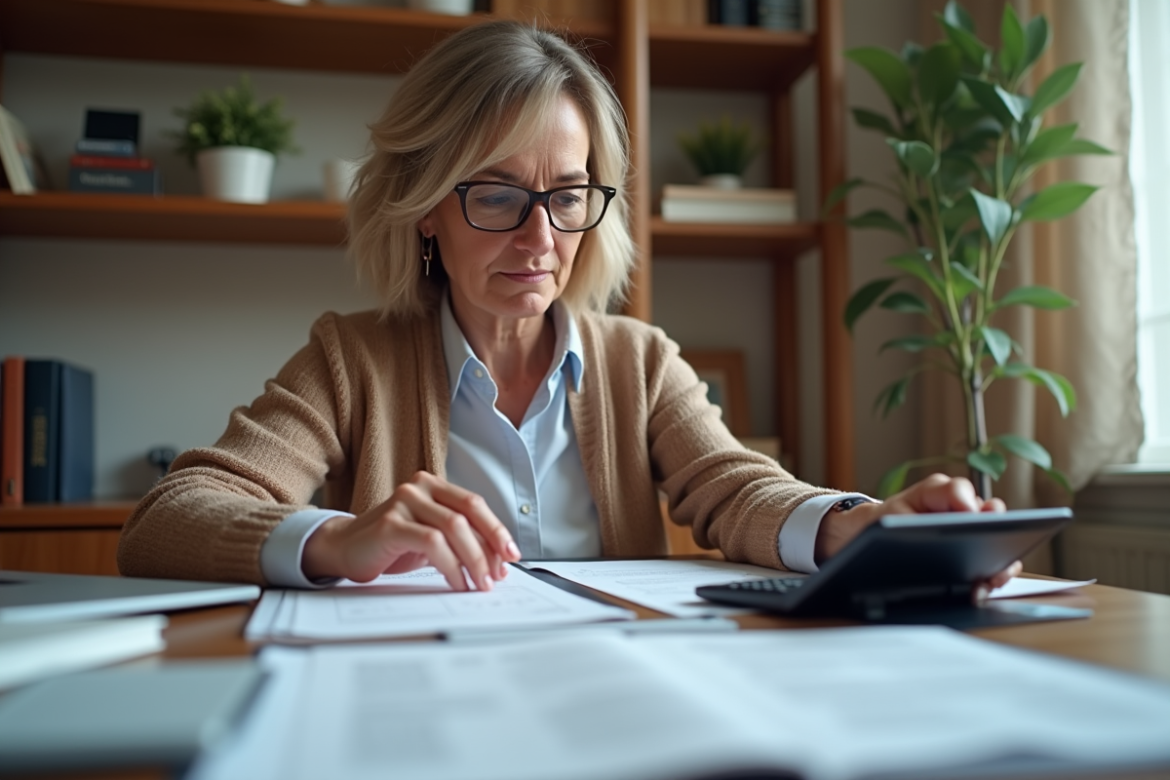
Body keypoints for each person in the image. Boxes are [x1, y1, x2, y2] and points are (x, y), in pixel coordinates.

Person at [117, 20, 1019, 594]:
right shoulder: (352, 360)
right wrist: (339, 542)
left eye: (568, 195)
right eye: (496, 195)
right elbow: (170, 516)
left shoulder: (640, 360)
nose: (540, 237)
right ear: (426, 207)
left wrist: (859, 524)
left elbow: (736, 489)